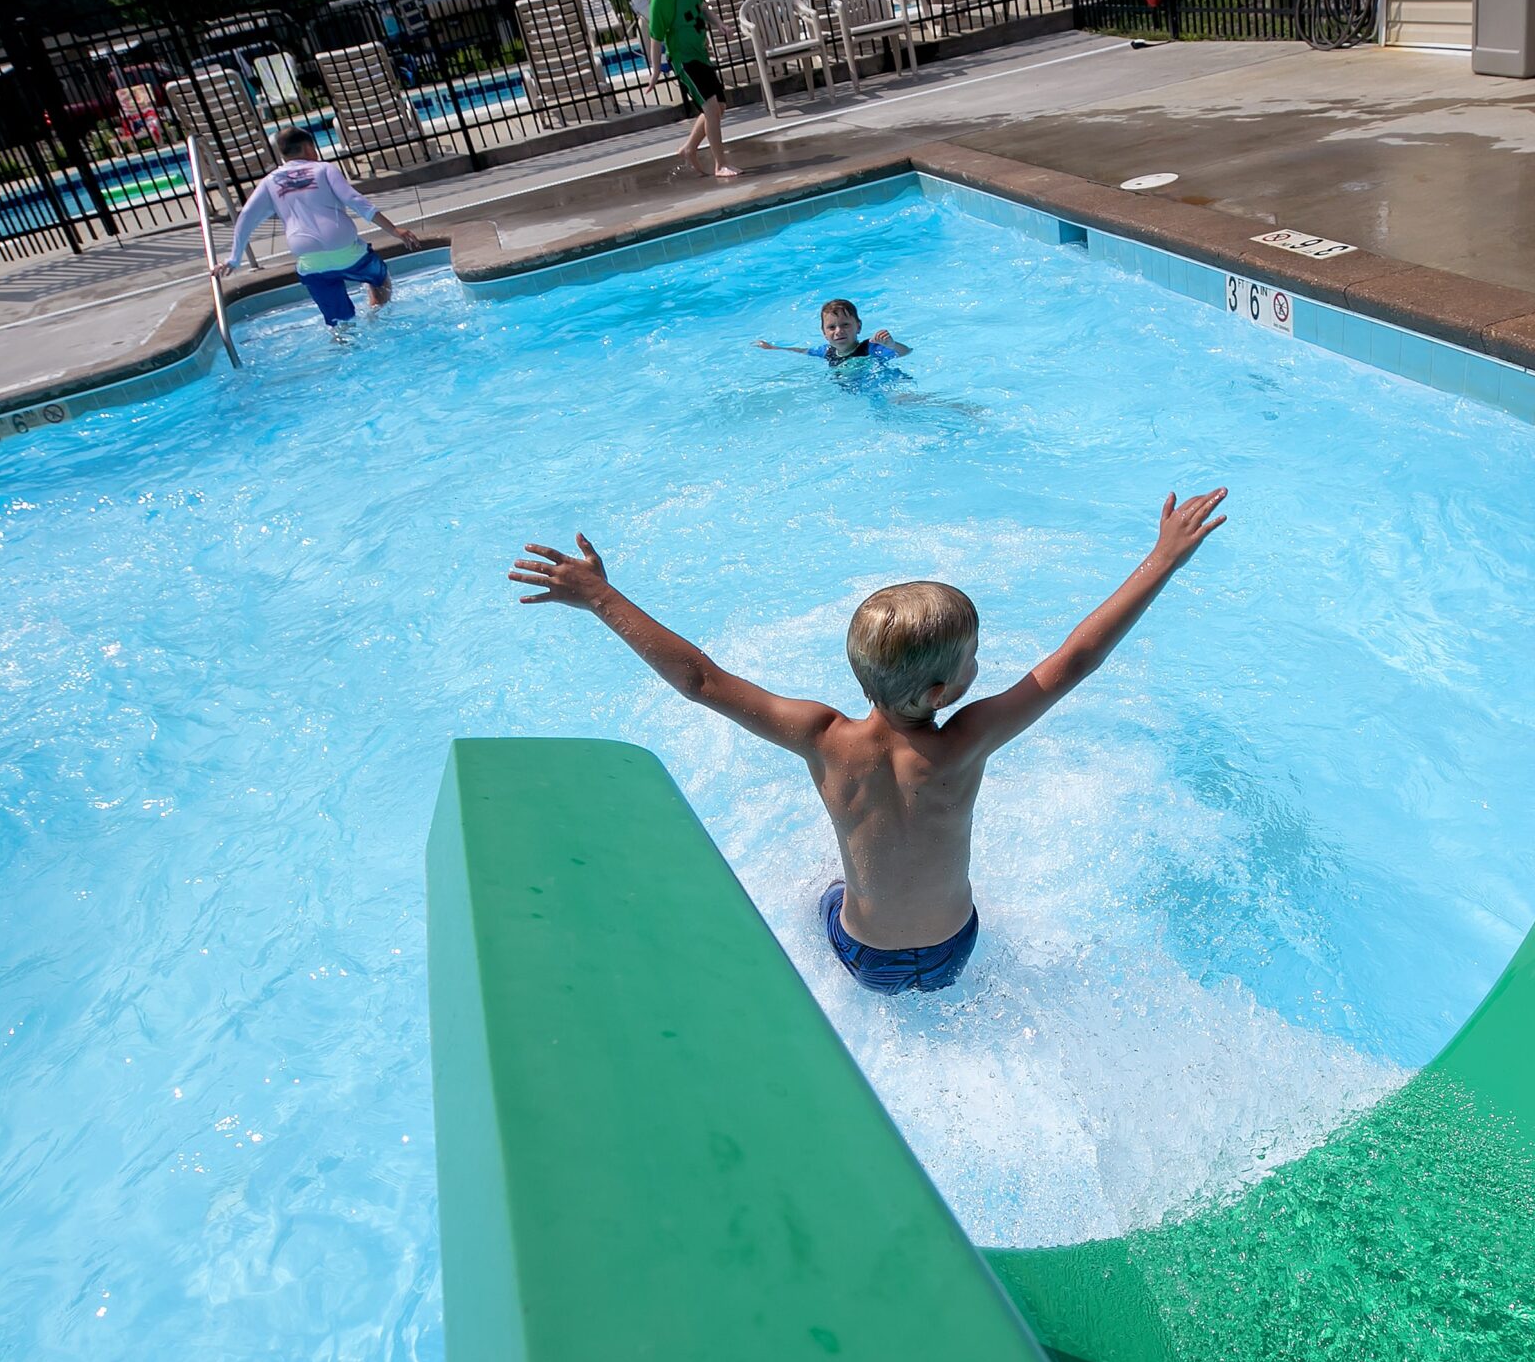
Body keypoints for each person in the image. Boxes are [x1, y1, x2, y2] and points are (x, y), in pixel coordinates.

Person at [509, 489, 1230, 994]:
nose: (982, 665)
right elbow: (1075, 658)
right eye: (974, 657)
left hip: (865, 958)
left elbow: (699, 679)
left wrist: (601, 596)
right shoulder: (968, 740)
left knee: (816, 892)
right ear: (943, 693)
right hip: (956, 949)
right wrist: (1161, 559)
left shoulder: (824, 739)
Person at [220, 129, 422, 327]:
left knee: (339, 322)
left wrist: (234, 258)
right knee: (379, 278)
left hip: (310, 261)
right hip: (346, 250)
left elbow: (246, 216)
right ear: (308, 148)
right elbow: (354, 199)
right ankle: (375, 318)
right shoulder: (324, 169)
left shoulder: (269, 181)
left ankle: (343, 343)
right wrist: (394, 230)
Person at [642, 0, 737, 181]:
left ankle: (689, 148)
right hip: (684, 59)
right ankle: (720, 164)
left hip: (701, 53)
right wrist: (655, 70)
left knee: (720, 108)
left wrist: (719, 25)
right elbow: (656, 37)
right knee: (711, 109)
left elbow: (701, 7)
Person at [756, 298, 912, 377]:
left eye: (845, 325)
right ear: (824, 333)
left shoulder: (870, 347)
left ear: (858, 326)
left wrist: (891, 344)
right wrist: (774, 348)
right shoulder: (826, 351)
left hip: (885, 386)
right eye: (831, 327)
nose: (838, 331)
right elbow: (803, 351)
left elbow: (905, 352)